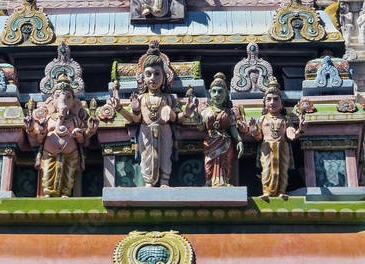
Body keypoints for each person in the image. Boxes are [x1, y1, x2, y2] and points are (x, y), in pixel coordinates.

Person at [107, 40, 197, 187]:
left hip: (164, 130)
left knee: (165, 156)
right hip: (145, 131)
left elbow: (176, 119)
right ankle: (148, 182)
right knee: (146, 157)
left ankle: (164, 181)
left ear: (164, 78)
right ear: (142, 78)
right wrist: (121, 108)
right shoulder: (141, 98)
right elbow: (135, 119)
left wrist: (185, 113)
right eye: (148, 74)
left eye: (157, 74)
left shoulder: (168, 98)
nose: (153, 78)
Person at [24, 75, 99, 197]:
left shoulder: (75, 120)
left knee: (69, 175)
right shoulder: (48, 118)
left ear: (74, 102)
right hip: (49, 153)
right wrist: (31, 128)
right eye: (57, 97)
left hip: (71, 154)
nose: (62, 101)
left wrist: (90, 130)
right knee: (48, 173)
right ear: (51, 101)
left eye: (68, 97)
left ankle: (65, 192)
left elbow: (82, 139)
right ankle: (48, 192)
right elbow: (39, 139)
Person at [242, 78, 306, 200]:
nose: (272, 102)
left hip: (282, 147)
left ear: (281, 104)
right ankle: (266, 191)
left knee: (282, 170)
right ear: (264, 103)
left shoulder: (285, 120)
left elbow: (290, 135)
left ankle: (281, 191)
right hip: (266, 148)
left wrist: (300, 130)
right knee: (267, 170)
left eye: (276, 99)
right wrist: (253, 131)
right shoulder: (262, 119)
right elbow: (258, 137)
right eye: (269, 99)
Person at [199, 73, 243, 187]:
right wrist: (196, 118)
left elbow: (233, 128)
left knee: (225, 162)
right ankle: (209, 182)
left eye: (220, 91)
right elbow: (201, 127)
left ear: (226, 95)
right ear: (210, 94)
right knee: (209, 162)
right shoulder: (205, 111)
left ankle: (224, 181)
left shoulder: (230, 112)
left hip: (225, 142)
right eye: (214, 92)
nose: (216, 95)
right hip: (210, 142)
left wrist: (239, 141)